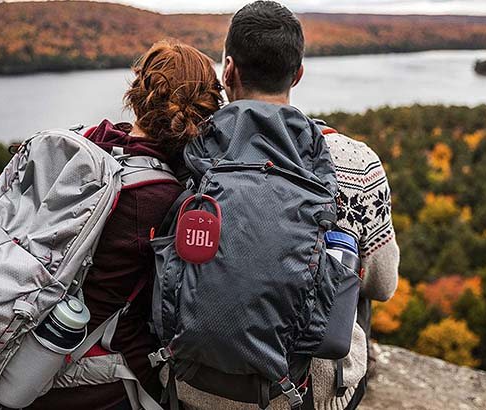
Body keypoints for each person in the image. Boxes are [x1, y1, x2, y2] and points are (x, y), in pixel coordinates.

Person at [170, 2, 399, 409]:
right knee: (352, 278)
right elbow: (383, 284)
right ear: (297, 74)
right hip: (301, 395)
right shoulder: (357, 162)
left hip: (194, 383)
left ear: (228, 71)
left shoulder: (191, 149)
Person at [28, 40, 223, 410]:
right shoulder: (164, 196)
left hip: (29, 350)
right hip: (100, 381)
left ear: (138, 94)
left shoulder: (86, 146)